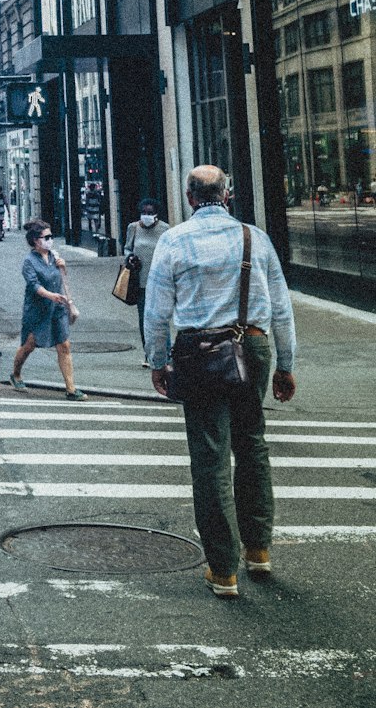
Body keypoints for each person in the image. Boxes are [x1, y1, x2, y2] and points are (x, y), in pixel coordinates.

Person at [144, 164, 297, 599]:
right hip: (253, 346)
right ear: (226, 195)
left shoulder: (173, 241)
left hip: (201, 354)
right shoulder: (255, 238)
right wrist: (285, 363)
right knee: (252, 445)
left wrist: (157, 361)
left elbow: (157, 312)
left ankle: (223, 570)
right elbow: (281, 307)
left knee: (210, 457)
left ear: (190, 197)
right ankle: (259, 550)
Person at [10, 219, 86, 400]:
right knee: (29, 345)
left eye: (51, 236)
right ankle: (16, 373)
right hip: (37, 309)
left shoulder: (54, 256)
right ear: (36, 240)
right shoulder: (29, 261)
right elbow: (33, 285)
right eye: (47, 237)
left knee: (64, 345)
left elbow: (60, 279)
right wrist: (50, 295)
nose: (50, 240)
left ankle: (71, 388)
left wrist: (63, 267)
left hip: (57, 308)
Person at [123, 197, 171, 360]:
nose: (146, 215)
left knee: (161, 319)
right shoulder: (133, 228)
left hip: (160, 282)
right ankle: (148, 353)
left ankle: (167, 352)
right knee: (144, 319)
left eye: (150, 213)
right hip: (141, 282)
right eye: (143, 212)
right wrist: (129, 257)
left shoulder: (165, 229)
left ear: (156, 214)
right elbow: (127, 248)